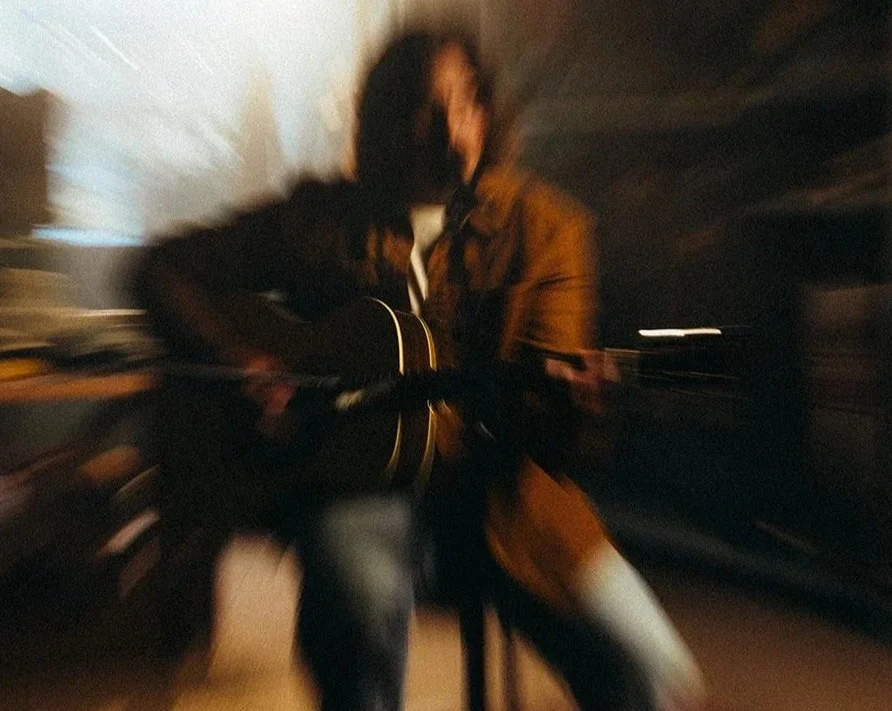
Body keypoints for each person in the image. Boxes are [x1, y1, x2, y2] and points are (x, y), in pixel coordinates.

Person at [131, 27, 705, 711]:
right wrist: (245, 364)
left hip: (508, 499)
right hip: (359, 487)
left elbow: (554, 440)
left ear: (485, 113)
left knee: (654, 671)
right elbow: (160, 268)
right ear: (381, 120)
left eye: (458, 105)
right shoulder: (320, 220)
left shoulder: (548, 229)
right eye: (418, 108)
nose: (441, 129)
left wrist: (580, 404)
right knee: (357, 607)